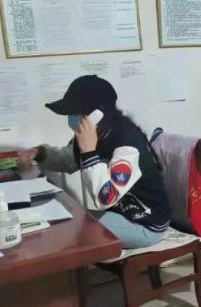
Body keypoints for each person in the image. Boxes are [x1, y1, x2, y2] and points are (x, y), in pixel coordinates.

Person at [17, 75, 171, 249]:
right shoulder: (97, 133)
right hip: (120, 212)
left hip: (145, 223)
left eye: (76, 113)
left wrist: (89, 152)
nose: (71, 118)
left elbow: (106, 197)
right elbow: (68, 159)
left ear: (97, 115)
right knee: (63, 218)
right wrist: (39, 153)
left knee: (75, 232)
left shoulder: (127, 146)